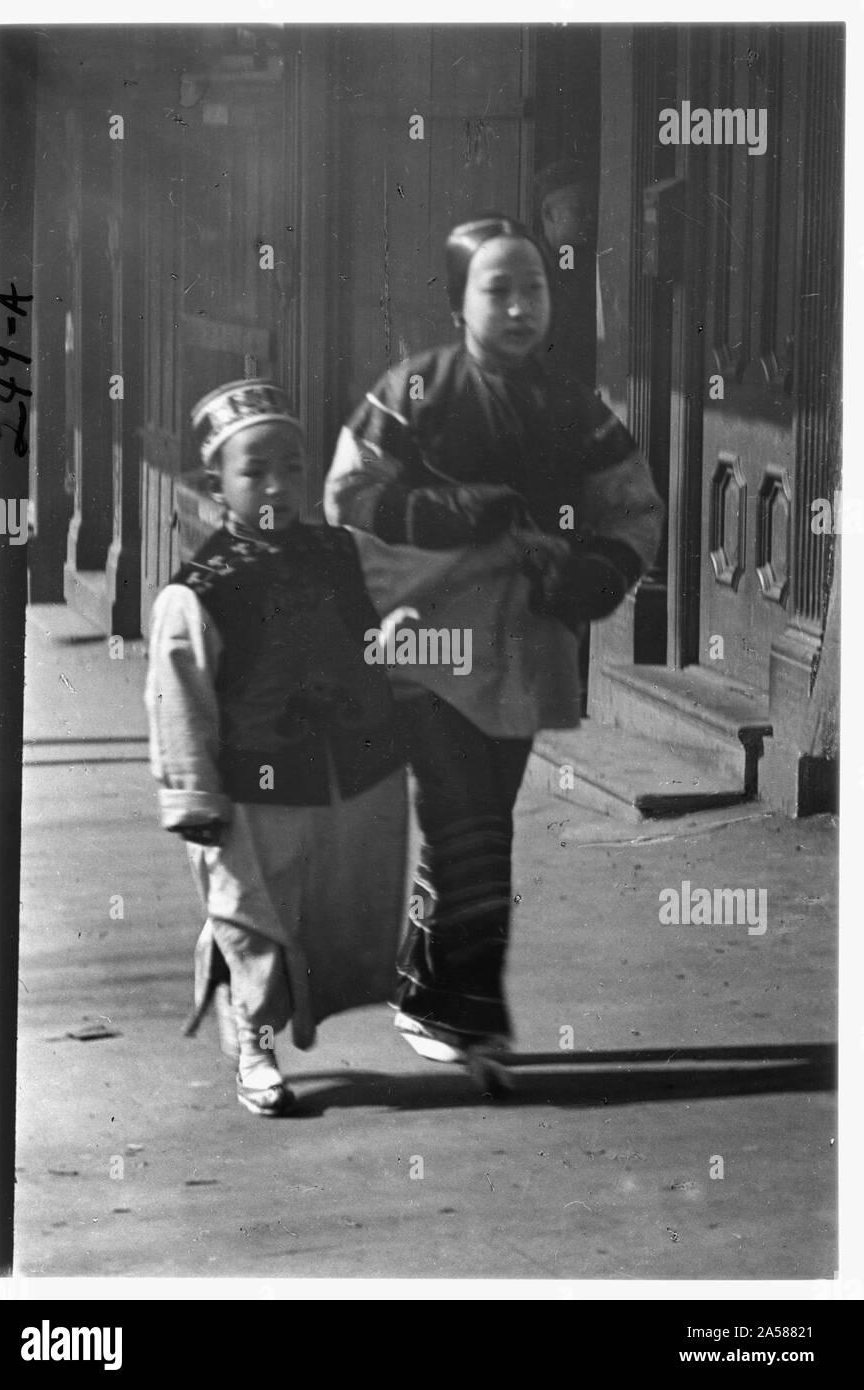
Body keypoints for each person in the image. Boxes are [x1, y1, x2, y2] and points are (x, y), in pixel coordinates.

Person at [323, 214, 664, 1065]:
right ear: (457, 301)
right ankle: (453, 1010)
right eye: (497, 290)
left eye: (533, 290)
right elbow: (347, 492)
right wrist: (446, 513)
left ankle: (423, 977)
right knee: (467, 819)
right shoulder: (411, 389)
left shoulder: (573, 406)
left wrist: (592, 572)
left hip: (522, 651)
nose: (518, 309)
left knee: (475, 817)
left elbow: (632, 507)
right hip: (426, 644)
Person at [145, 379, 408, 1115]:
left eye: (292, 467)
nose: (275, 485)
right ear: (216, 485)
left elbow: (395, 612)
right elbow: (178, 701)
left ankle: (234, 981)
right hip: (244, 787)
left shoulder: (340, 552)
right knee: (252, 909)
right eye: (253, 470)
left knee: (311, 909)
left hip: (338, 776)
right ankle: (254, 1040)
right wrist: (194, 797)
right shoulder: (198, 592)